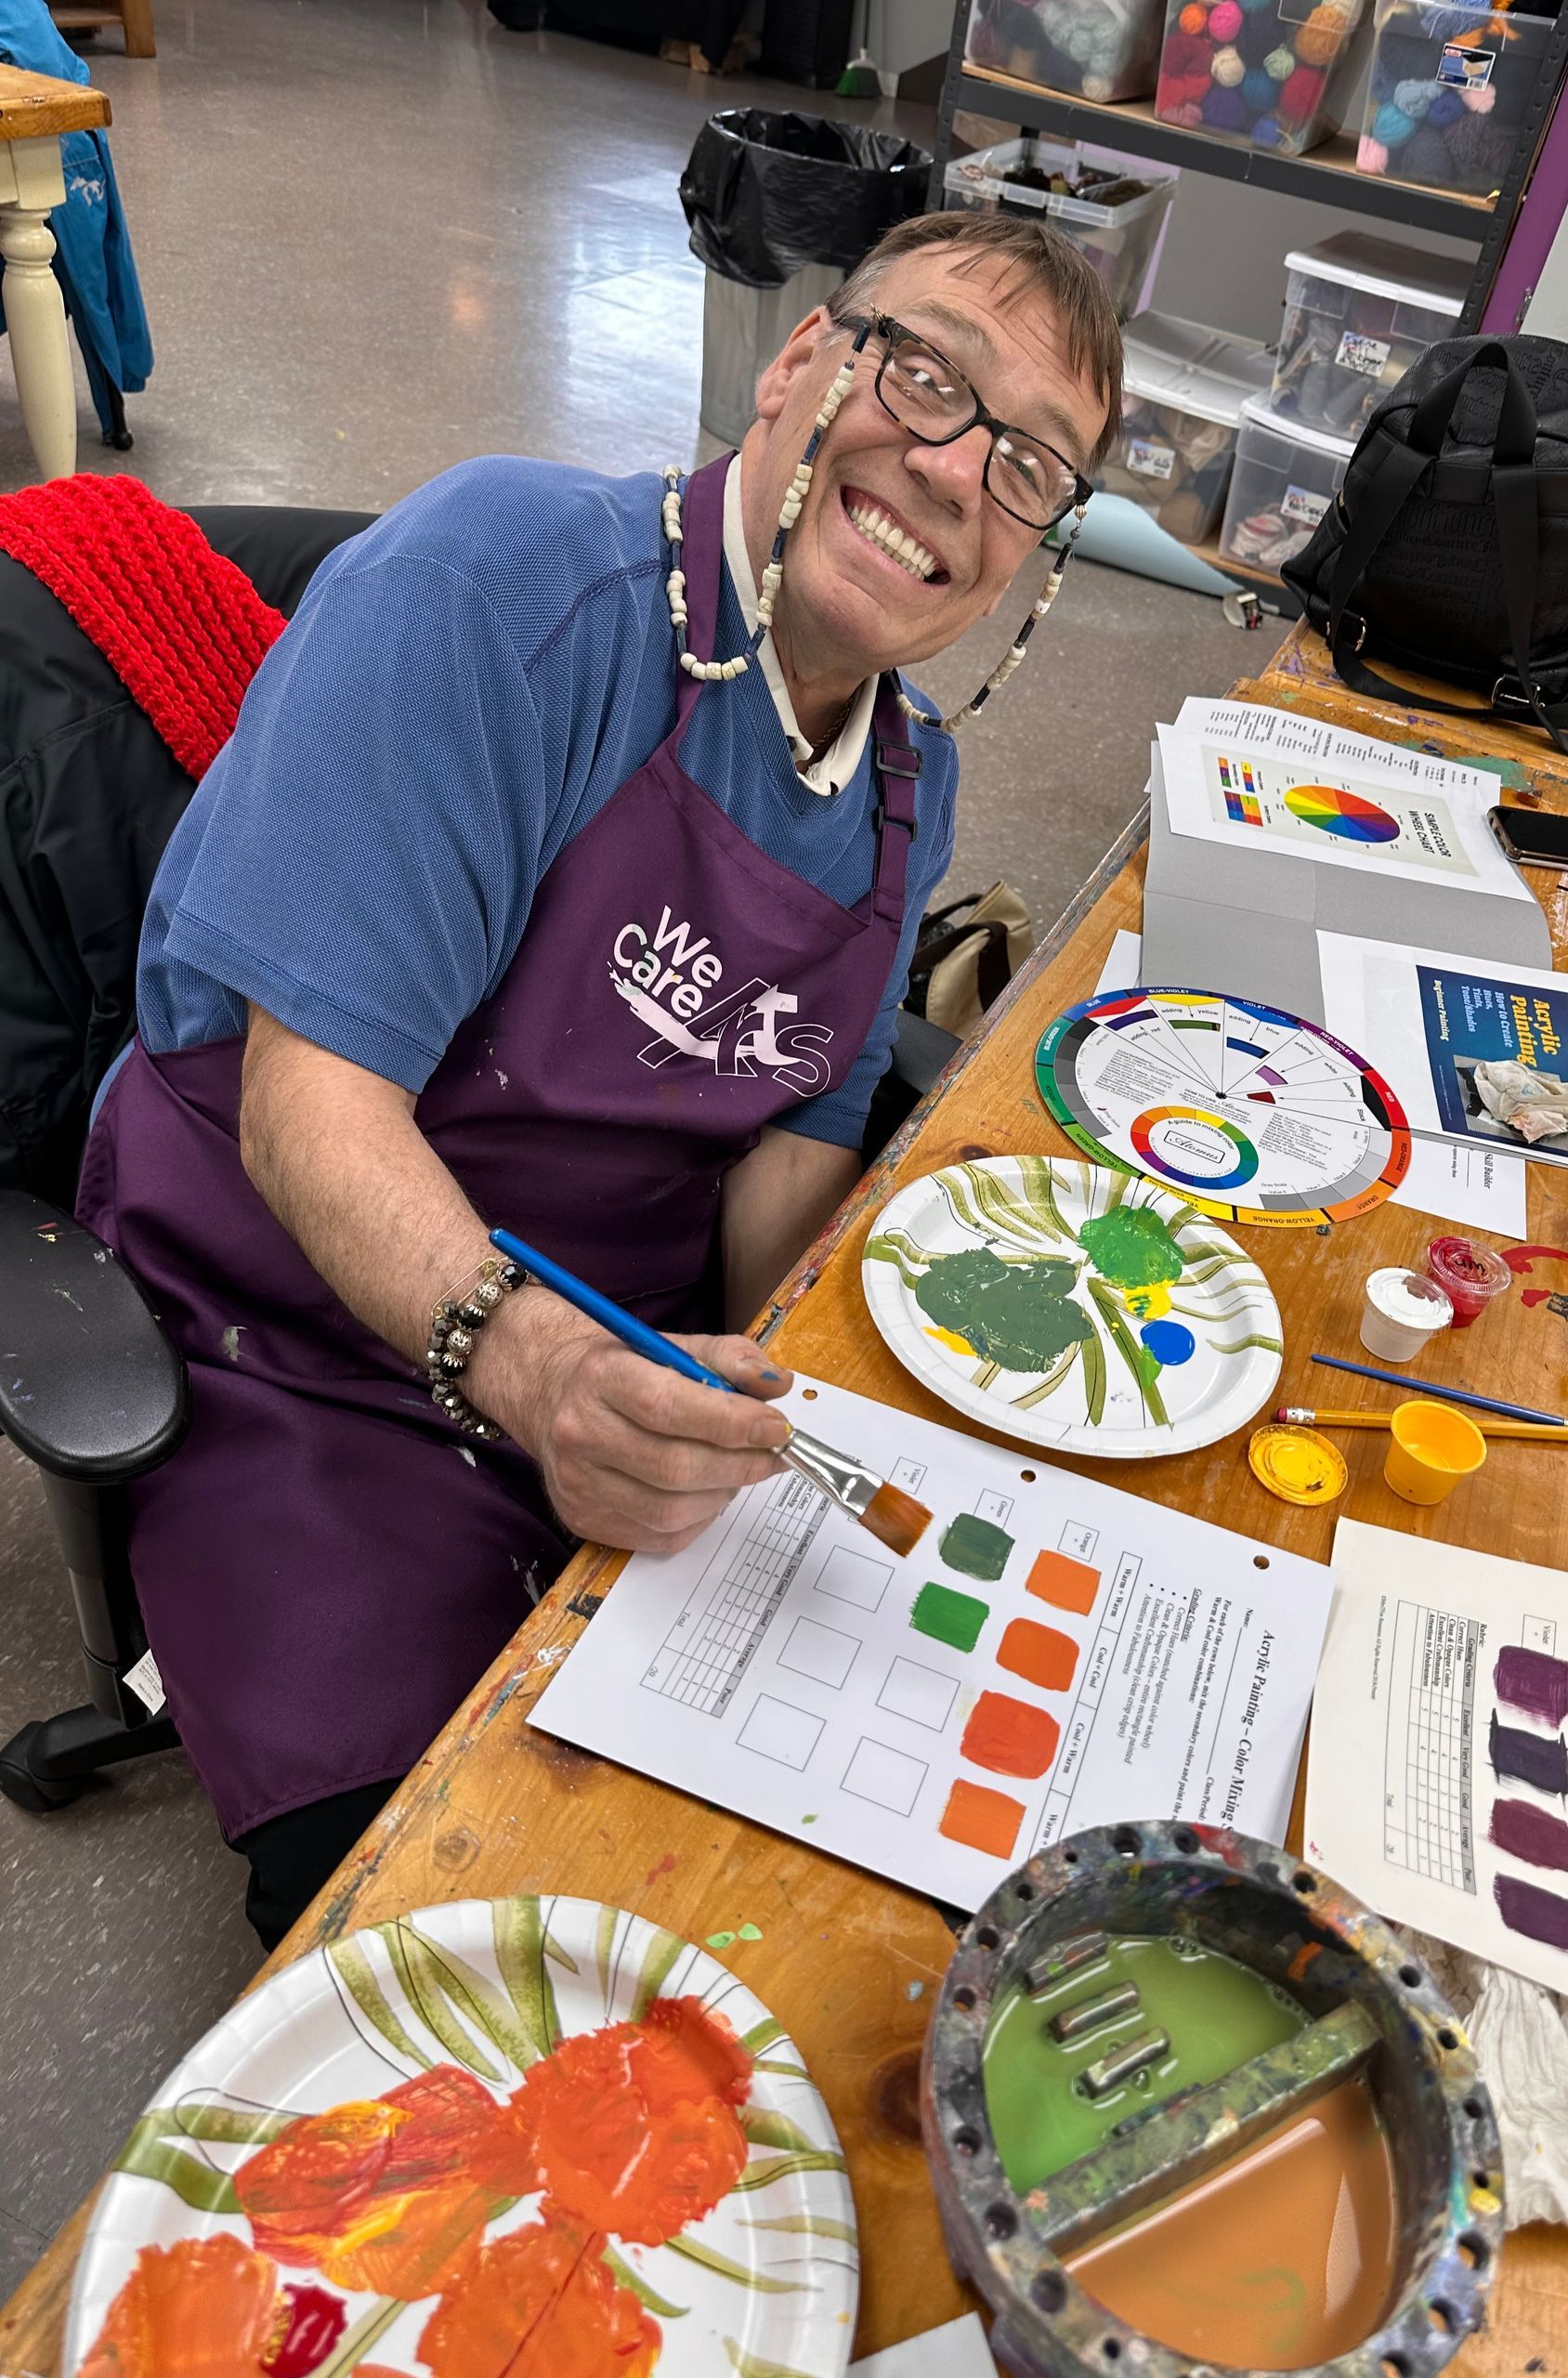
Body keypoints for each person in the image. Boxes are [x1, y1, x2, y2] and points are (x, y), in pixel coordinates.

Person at [76, 210, 1123, 1945]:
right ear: (799, 365)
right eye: (927, 375)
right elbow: (307, 1104)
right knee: (471, 1926)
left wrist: (809, 1388)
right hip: (298, 1325)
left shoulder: (903, 781)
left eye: (1030, 467)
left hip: (625, 1335)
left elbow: (791, 1148)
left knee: (822, 1864)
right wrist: (541, 1371)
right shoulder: (500, 589)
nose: (954, 471)